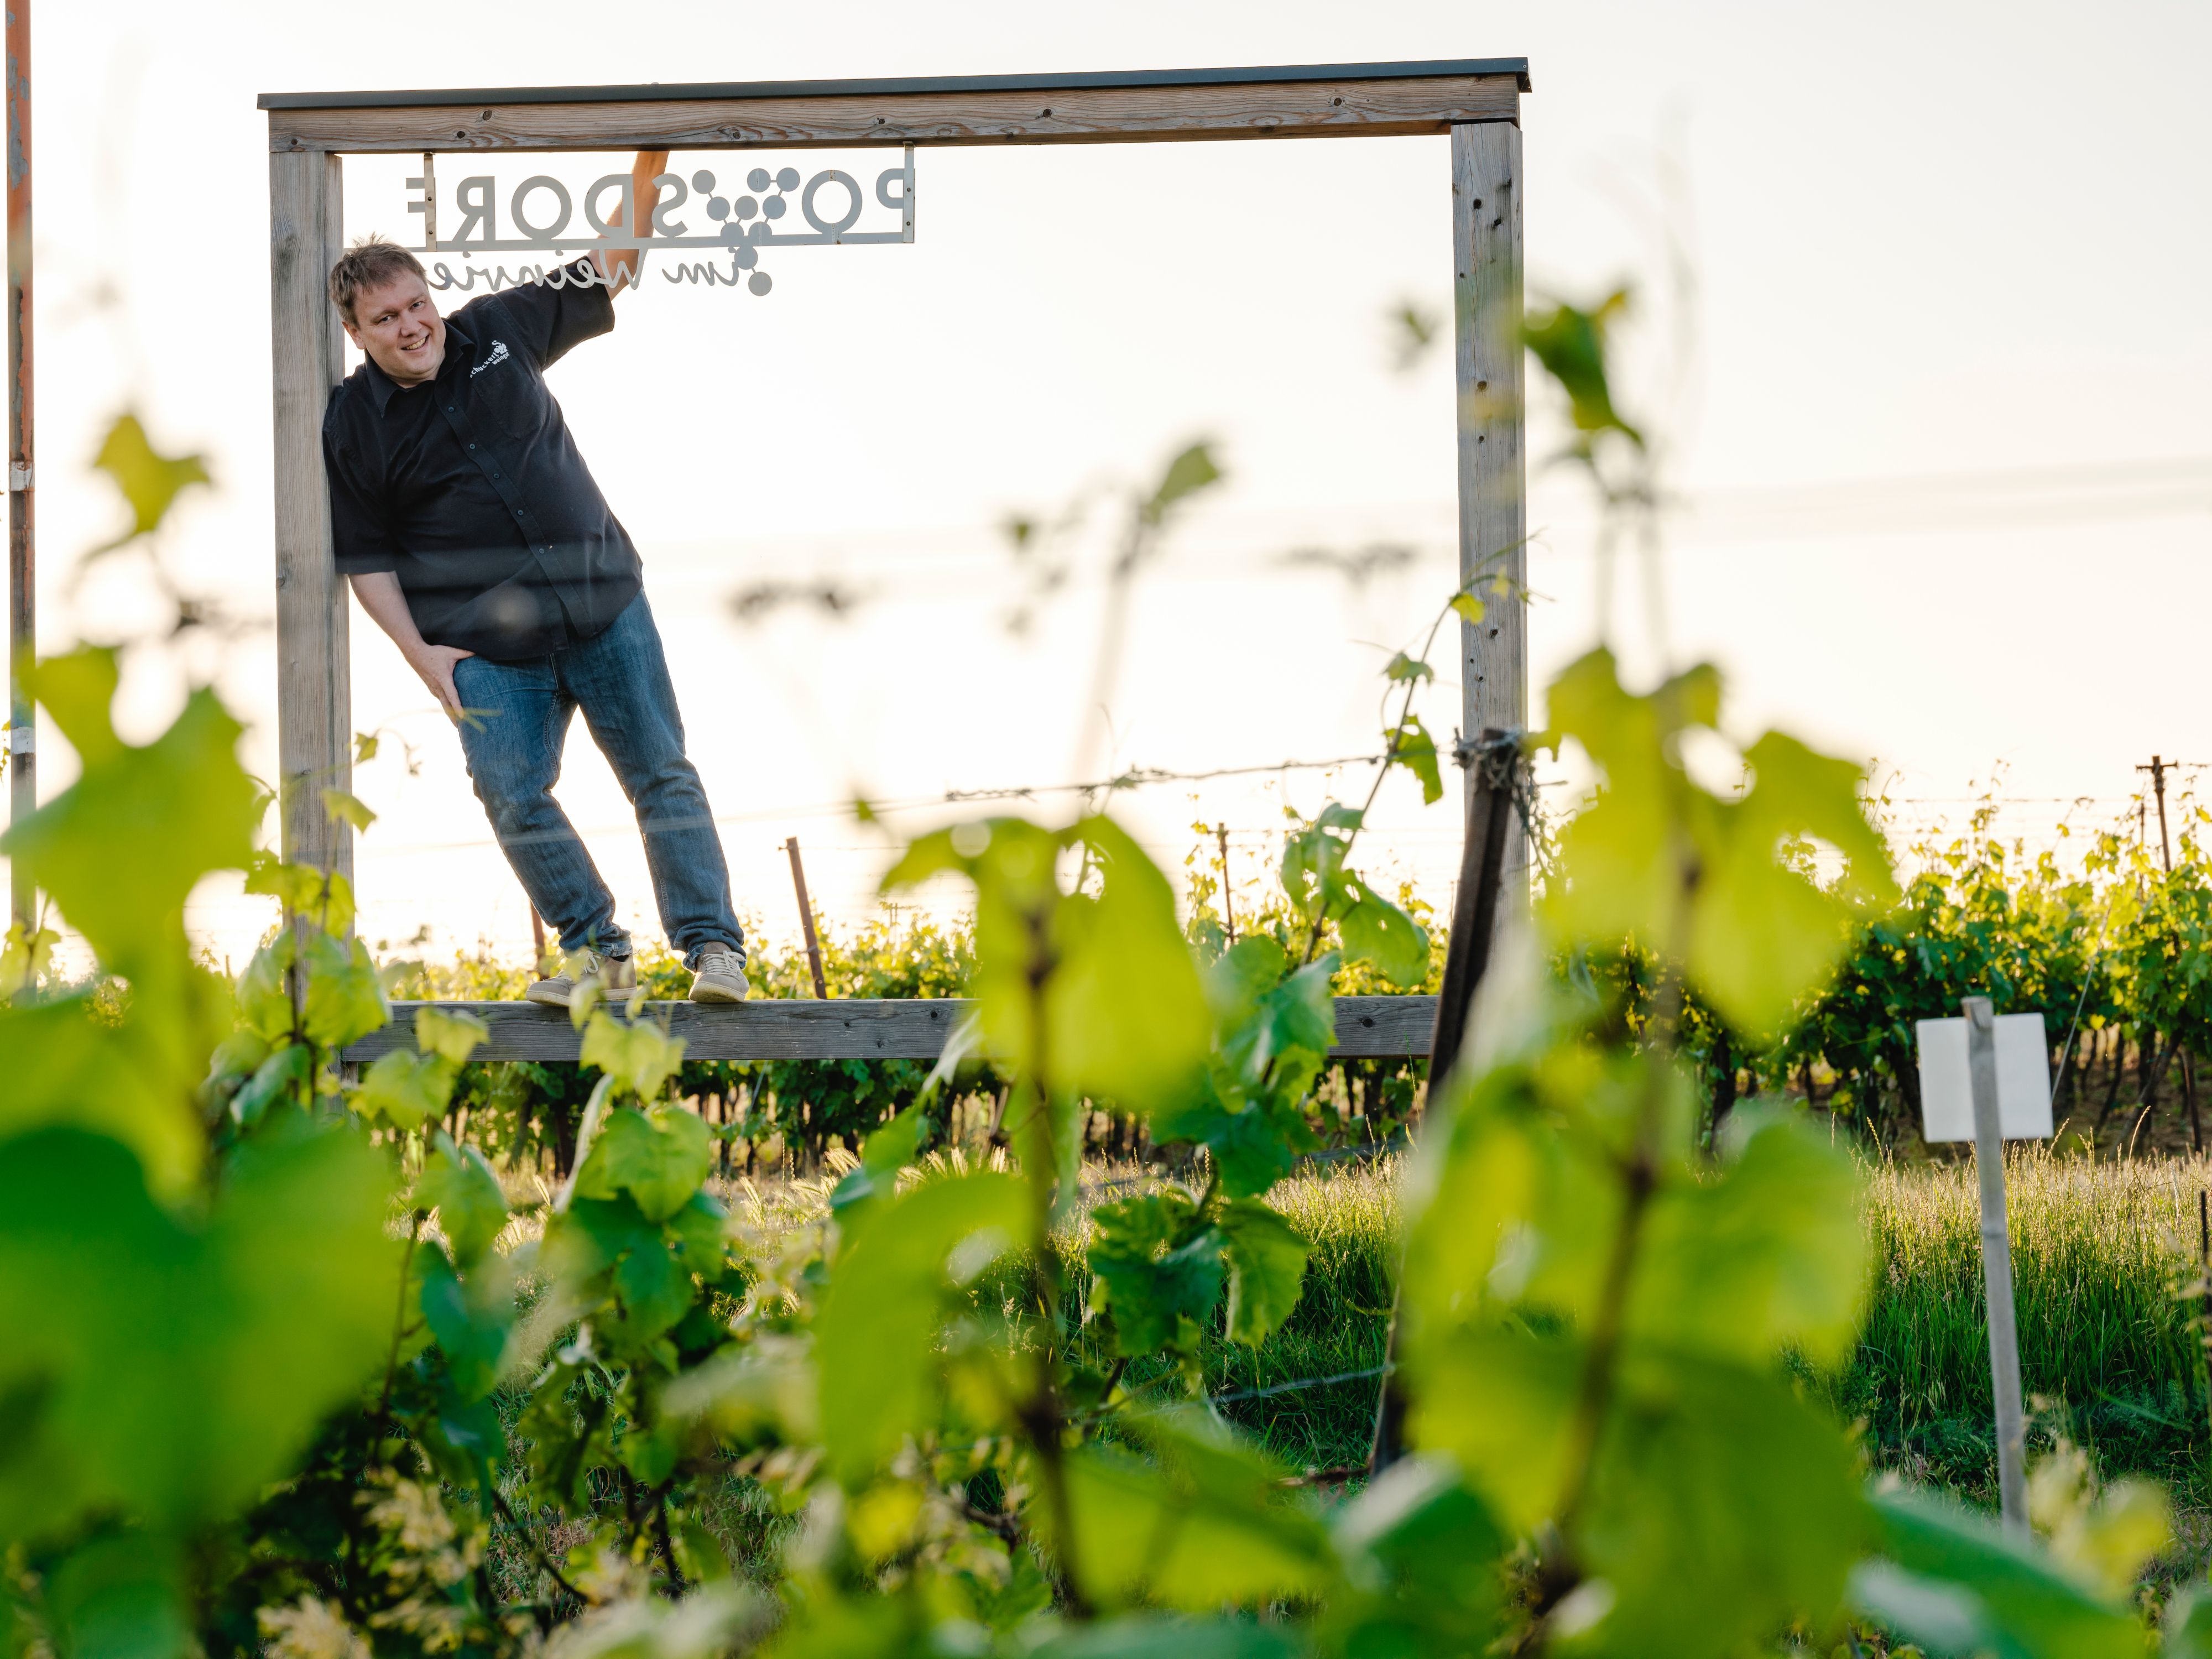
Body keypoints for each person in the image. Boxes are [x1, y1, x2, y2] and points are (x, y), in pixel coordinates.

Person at [321, 149, 748, 1008]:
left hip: (604, 604)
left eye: (417, 304)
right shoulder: (352, 423)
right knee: (510, 792)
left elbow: (614, 265)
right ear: (357, 334)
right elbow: (365, 557)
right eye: (387, 318)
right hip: (487, 646)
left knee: (662, 774)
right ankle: (598, 951)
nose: (412, 326)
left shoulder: (499, 328)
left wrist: (649, 163)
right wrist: (422, 658)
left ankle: (714, 952)